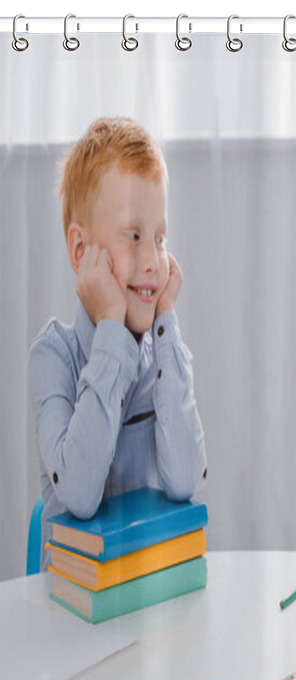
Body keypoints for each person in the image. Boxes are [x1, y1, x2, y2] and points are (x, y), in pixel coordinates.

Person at [28, 117, 207, 570]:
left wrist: (166, 317)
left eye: (160, 238)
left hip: (145, 598)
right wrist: (111, 325)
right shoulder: (52, 355)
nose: (152, 261)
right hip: (74, 609)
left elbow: (185, 481)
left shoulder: (163, 355)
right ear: (80, 251)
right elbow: (79, 495)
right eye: (133, 237)